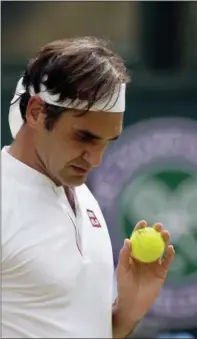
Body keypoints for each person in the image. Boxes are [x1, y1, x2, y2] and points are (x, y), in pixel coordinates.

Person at [1, 36, 175, 338]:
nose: (95, 159)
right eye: (84, 137)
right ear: (36, 112)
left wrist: (126, 313)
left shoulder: (82, 196)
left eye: (107, 143)